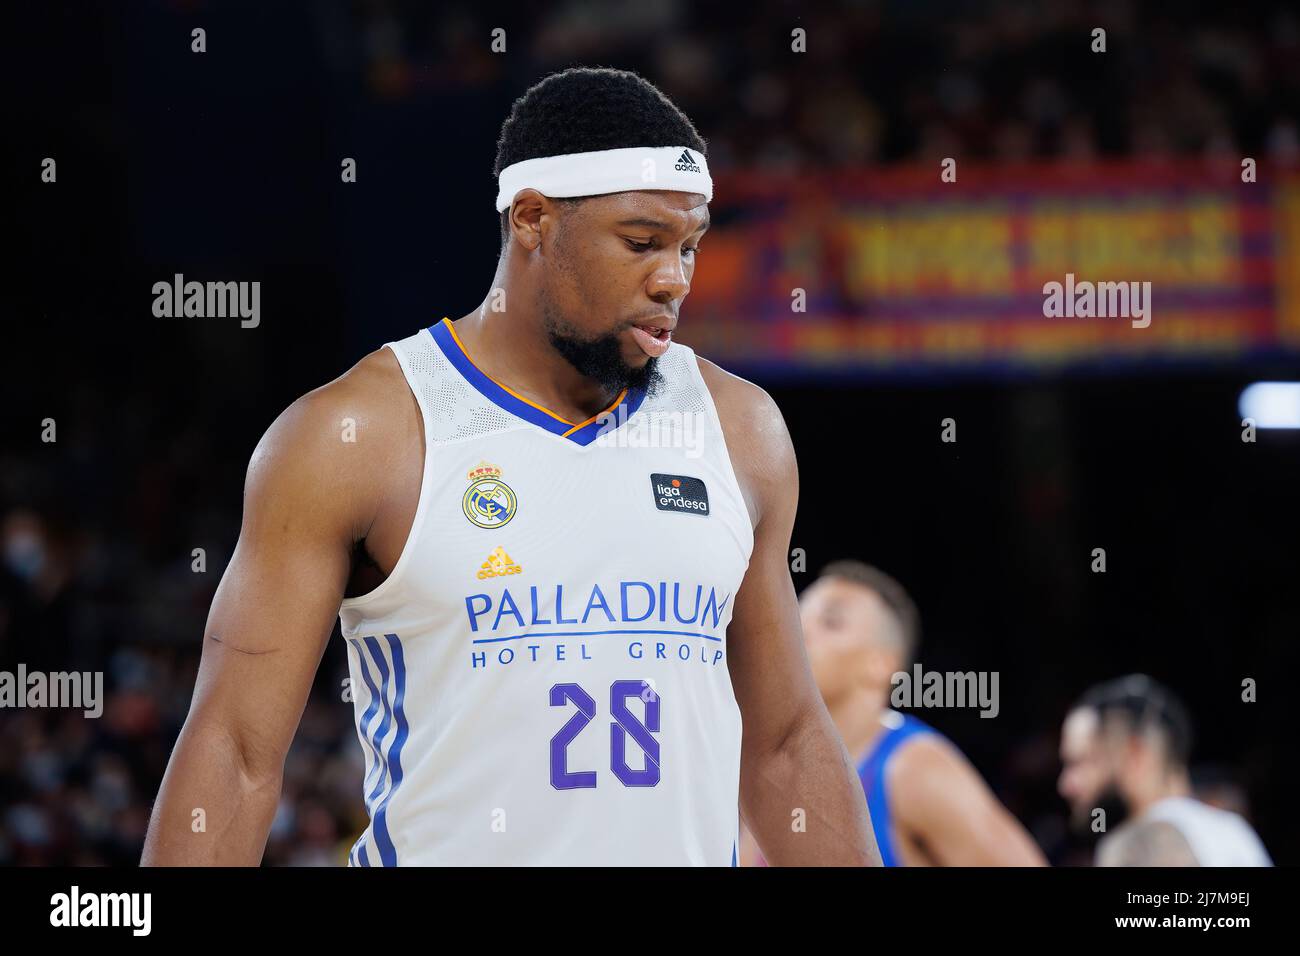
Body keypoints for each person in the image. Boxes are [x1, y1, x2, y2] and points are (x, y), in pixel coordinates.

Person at [141, 67, 879, 866]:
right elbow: (237, 754)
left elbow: (785, 742)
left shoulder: (740, 430)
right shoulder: (358, 434)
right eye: (641, 243)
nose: (674, 278)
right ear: (532, 220)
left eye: (690, 246)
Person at [740, 560, 1045, 866]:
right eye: (797, 615)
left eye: (831, 622)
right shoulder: (767, 769)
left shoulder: (914, 769)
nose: (800, 632)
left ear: (881, 664)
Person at [1058, 674, 1271, 866]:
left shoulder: (1138, 844)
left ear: (1134, 753)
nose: (1065, 785)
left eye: (1080, 763)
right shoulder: (1234, 831)